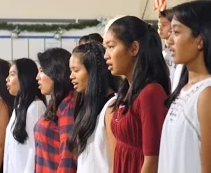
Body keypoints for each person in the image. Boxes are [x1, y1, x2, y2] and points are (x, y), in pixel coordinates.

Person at [158, 0, 211, 173]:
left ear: (200, 40)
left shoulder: (210, 94)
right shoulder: (186, 88)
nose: (169, 40)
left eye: (176, 32)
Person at [103, 15, 170, 173]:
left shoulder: (151, 93)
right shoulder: (126, 89)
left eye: (111, 47)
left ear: (134, 48)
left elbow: (153, 161)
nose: (106, 55)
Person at [67, 42, 120, 173]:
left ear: (93, 71)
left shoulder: (112, 107)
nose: (71, 76)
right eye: (71, 71)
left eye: (76, 70)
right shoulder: (87, 106)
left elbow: (116, 162)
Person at [34, 48, 77, 173]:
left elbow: (67, 159)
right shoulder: (56, 104)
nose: (37, 77)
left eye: (42, 71)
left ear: (55, 72)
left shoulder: (68, 107)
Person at [4, 58, 46, 173]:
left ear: (24, 78)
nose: (7, 79)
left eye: (12, 74)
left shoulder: (36, 107)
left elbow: (36, 150)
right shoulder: (19, 107)